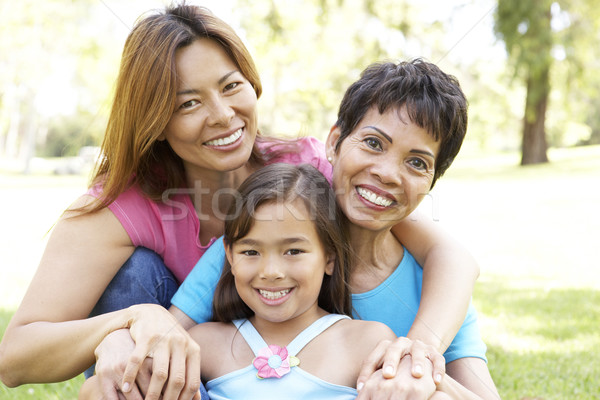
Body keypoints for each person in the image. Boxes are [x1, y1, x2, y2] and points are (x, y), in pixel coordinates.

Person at [0, 3, 479, 399]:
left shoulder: (306, 172)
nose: (223, 115)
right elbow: (15, 357)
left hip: (303, 357)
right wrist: (126, 328)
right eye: (188, 103)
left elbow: (448, 254)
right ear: (155, 119)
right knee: (133, 279)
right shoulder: (121, 208)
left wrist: (421, 349)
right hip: (188, 366)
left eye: (232, 86)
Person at [167, 59, 501, 399]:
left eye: (417, 162)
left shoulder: (435, 290)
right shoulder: (259, 242)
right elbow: (165, 337)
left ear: (431, 181)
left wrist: (420, 364)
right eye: (373, 143)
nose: (387, 173)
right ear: (334, 142)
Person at [81, 163, 488, 400]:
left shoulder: (365, 342)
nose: (271, 271)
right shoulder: (205, 344)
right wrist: (109, 363)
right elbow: (104, 390)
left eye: (293, 251)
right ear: (229, 258)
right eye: (251, 252)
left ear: (329, 258)